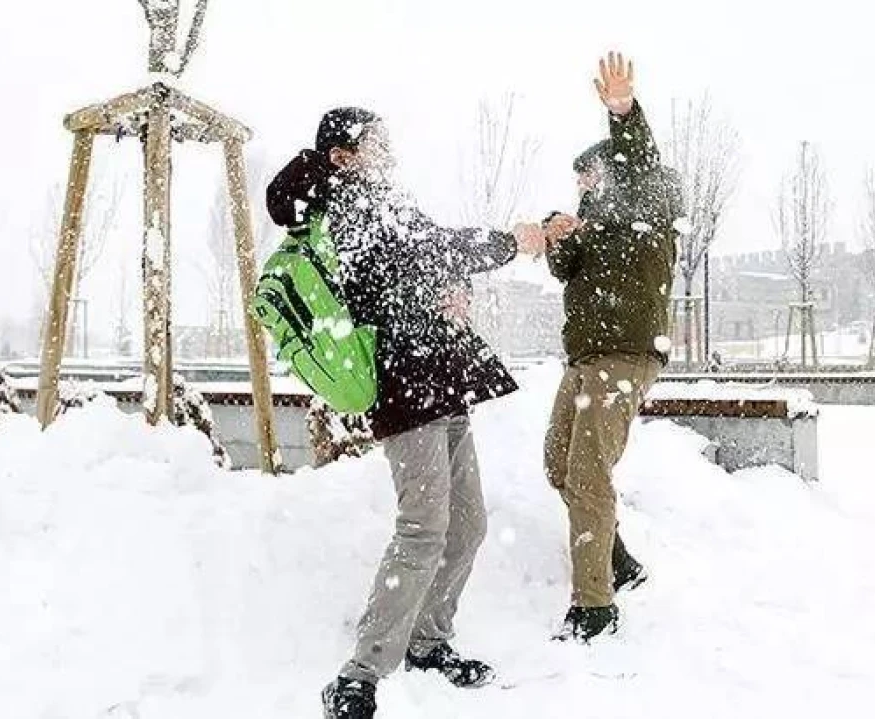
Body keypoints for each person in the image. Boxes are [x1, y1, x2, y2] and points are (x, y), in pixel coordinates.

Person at [266, 108, 547, 719]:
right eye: (375, 143)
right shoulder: (346, 205)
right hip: (406, 380)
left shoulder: (381, 198)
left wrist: (457, 290)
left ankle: (427, 643)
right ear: (343, 155)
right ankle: (358, 675)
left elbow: (428, 261)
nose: (388, 150)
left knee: (467, 523)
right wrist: (510, 242)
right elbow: (431, 250)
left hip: (440, 375)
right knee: (423, 526)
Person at [541, 53, 683, 642]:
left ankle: (595, 606)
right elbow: (564, 269)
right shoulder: (593, 226)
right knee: (558, 462)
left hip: (625, 356)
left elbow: (640, 162)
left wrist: (622, 111)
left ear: (613, 172)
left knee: (589, 472)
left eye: (589, 177)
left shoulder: (648, 203)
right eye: (577, 182)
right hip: (586, 359)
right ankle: (618, 558)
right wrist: (556, 233)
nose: (582, 187)